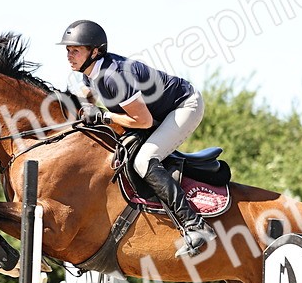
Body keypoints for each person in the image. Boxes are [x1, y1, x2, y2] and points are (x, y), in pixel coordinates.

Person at [58, 19, 217, 258]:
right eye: (68, 50)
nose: (70, 55)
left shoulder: (114, 77)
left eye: (76, 50)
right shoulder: (90, 72)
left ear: (95, 51)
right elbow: (88, 94)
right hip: (153, 113)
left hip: (183, 106)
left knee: (144, 160)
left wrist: (103, 115)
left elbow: (143, 122)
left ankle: (195, 226)